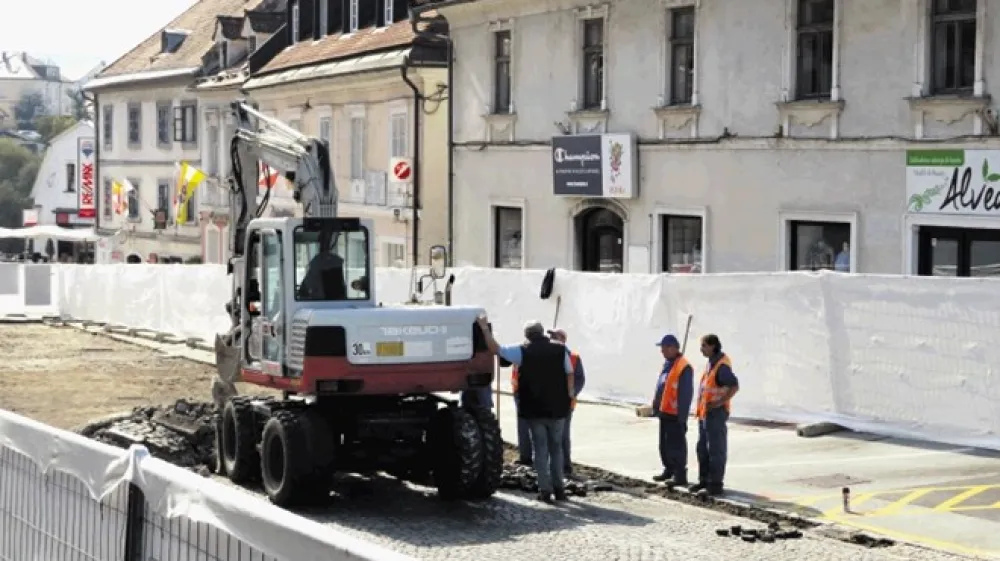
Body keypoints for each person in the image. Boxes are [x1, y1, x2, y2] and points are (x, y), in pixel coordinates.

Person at [476, 316, 574, 503]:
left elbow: (496, 349)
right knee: (556, 449)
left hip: (534, 408)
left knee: (540, 449)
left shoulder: (522, 351)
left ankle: (545, 490)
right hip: (558, 408)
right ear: (542, 332)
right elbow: (569, 372)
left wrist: (484, 329)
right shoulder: (560, 350)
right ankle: (560, 489)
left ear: (527, 335)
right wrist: (569, 394)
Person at [691, 333, 739, 496]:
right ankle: (704, 480)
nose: (701, 349)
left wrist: (719, 403)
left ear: (712, 346)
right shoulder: (711, 363)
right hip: (705, 413)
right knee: (702, 448)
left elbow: (734, 386)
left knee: (715, 450)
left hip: (716, 413)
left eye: (704, 345)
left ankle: (715, 484)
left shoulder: (722, 366)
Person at [650, 334, 693, 486]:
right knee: (664, 445)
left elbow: (686, 394)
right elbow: (662, 387)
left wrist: (682, 418)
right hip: (664, 411)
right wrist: (656, 405)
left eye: (664, 348)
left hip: (675, 414)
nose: (662, 351)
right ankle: (669, 469)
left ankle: (680, 475)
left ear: (673, 348)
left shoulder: (683, 367)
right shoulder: (668, 364)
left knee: (676, 445)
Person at [547, 328, 585, 477]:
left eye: (554, 337)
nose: (551, 339)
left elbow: (580, 379)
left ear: (562, 339)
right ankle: (553, 465)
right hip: (549, 401)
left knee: (563, 435)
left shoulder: (574, 357)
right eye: (551, 337)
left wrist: (571, 393)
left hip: (566, 404)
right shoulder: (549, 354)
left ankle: (565, 466)